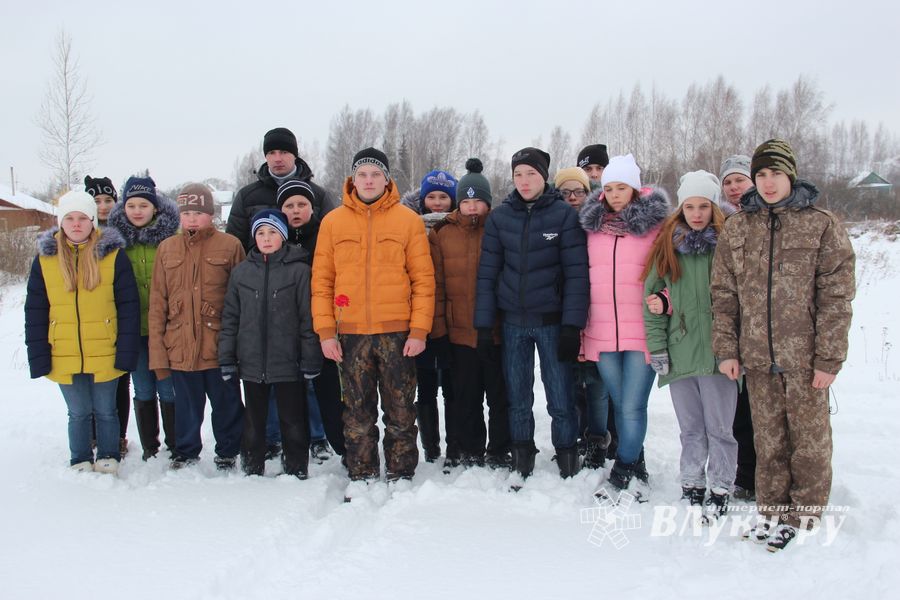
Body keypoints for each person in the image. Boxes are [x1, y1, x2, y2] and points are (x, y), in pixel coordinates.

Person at [711, 139, 856, 551]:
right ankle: (771, 509)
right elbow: (723, 294)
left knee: (808, 441)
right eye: (760, 175)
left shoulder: (821, 224)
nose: (767, 182)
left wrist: (829, 358)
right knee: (768, 439)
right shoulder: (739, 227)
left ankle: (804, 513)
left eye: (775, 174)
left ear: (790, 175)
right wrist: (728, 349)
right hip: (756, 357)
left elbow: (836, 298)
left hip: (806, 359)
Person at [311, 148, 435, 493]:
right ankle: (362, 471)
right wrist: (325, 332)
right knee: (356, 411)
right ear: (353, 179)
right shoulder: (333, 222)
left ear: (387, 179)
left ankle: (401, 472)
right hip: (349, 334)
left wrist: (419, 330)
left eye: (375, 175)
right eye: (362, 174)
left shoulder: (407, 221)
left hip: (397, 333)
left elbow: (423, 280)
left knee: (400, 408)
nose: (368, 181)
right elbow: (321, 281)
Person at [475, 147, 589, 482]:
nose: (524, 181)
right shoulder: (500, 218)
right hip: (513, 324)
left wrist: (571, 325)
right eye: (518, 174)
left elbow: (576, 275)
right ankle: (521, 454)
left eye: (531, 174)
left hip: (552, 324)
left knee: (560, 395)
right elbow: (488, 274)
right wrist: (484, 325)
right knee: (518, 396)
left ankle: (567, 454)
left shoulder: (563, 216)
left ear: (544, 177)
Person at [642, 170, 737, 520]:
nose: (697, 214)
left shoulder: (728, 247)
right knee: (691, 428)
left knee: (721, 428)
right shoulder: (668, 248)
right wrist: (658, 347)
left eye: (704, 206)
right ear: (681, 209)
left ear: (714, 208)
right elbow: (651, 300)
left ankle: (722, 485)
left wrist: (734, 350)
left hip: (718, 356)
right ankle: (691, 482)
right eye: (690, 206)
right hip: (680, 353)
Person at [24, 190, 140, 474]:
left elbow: (128, 307)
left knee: (105, 410)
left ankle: (109, 454)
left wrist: (126, 351)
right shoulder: (45, 259)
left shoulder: (112, 255)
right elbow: (36, 310)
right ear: (61, 222)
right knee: (77, 412)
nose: (76, 224)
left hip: (105, 347)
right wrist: (38, 353)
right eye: (70, 218)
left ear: (92, 221)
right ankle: (80, 457)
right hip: (63, 349)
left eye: (83, 219)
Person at [579, 154, 669, 494]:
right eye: (609, 188)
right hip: (602, 333)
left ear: (635, 188)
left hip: (642, 333)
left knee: (632, 406)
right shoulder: (590, 230)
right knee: (621, 405)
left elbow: (675, 276)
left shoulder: (657, 228)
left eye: (622, 187)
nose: (615, 194)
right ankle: (636, 461)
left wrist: (666, 304)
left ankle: (624, 468)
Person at [148, 183, 246, 470]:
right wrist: (158, 353)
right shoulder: (167, 249)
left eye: (198, 213)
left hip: (218, 347)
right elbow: (157, 303)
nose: (192, 218)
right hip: (181, 347)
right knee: (187, 408)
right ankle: (186, 451)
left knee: (227, 404)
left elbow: (241, 300)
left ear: (211, 214)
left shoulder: (230, 246)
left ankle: (228, 450)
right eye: (186, 212)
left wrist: (239, 346)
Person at [219, 209, 321, 478]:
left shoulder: (300, 271)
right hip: (251, 362)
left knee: (293, 420)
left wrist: (310, 357)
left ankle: (296, 468)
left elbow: (307, 319)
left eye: (273, 232)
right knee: (253, 421)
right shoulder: (242, 273)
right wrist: (227, 357)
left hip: (288, 361)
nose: (266, 238)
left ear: (283, 236)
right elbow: (230, 317)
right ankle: (252, 468)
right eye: (261, 233)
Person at [430, 158, 510, 469]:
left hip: (496, 332)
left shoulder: (501, 228)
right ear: (458, 202)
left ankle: (499, 448)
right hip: (459, 332)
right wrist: (438, 332)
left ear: (488, 202)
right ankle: (471, 447)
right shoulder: (441, 233)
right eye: (466, 201)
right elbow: (436, 284)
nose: (472, 207)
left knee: (499, 396)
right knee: (467, 396)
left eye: (479, 201)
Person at [107, 178, 180, 460]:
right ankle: (151, 446)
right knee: (143, 387)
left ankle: (176, 444)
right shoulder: (115, 242)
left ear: (155, 207)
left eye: (144, 205)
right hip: (133, 329)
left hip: (167, 328)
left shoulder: (171, 238)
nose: (137, 211)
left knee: (168, 388)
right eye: (131, 205)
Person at [276, 178, 346, 463]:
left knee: (329, 394)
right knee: (291, 396)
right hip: (287, 328)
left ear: (312, 207)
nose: (296, 210)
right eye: (289, 205)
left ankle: (343, 447)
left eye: (302, 204)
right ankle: (295, 451)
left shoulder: (325, 234)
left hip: (323, 327)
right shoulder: (272, 239)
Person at [554, 167, 611, 469]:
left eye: (579, 191)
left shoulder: (598, 224)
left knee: (598, 384)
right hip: (564, 314)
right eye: (566, 192)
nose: (573, 197)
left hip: (599, 314)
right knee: (571, 383)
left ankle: (598, 440)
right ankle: (576, 436)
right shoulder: (553, 222)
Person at [402, 169, 458, 468]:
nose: (437, 203)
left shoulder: (459, 227)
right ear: (423, 201)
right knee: (424, 388)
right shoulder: (411, 228)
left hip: (451, 322)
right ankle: (431, 446)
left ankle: (453, 446)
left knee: (452, 388)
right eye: (432, 197)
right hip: (420, 321)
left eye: (444, 196)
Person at [227, 127, 336, 252]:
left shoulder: (319, 196)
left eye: (284, 152)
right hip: (260, 270)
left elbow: (333, 241)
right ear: (266, 156)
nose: (277, 158)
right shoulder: (246, 197)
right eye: (272, 153)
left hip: (308, 269)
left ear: (295, 155)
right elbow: (234, 247)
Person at [718, 154, 757, 500]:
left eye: (739, 180)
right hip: (731, 323)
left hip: (765, 327)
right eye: (728, 182)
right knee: (738, 406)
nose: (734, 187)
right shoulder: (719, 223)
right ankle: (745, 473)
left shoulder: (766, 218)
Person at [84, 174, 131, 456]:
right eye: (96, 200)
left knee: (119, 381)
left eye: (108, 200)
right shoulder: (77, 232)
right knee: (87, 380)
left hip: (118, 315)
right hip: (89, 318)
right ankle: (90, 433)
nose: (102, 206)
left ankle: (118, 436)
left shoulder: (126, 232)